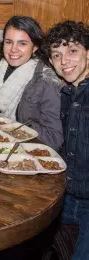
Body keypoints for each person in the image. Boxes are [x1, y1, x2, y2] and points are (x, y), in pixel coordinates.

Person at [44, 20, 89, 260]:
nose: (65, 61)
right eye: (57, 55)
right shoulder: (66, 93)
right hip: (65, 194)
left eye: (72, 51)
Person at [0, 16, 63, 149]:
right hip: (1, 145)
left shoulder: (46, 81)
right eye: (9, 42)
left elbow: (54, 137)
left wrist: (16, 127)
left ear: (34, 47)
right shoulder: (0, 70)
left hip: (29, 153)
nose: (13, 49)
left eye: (22, 43)